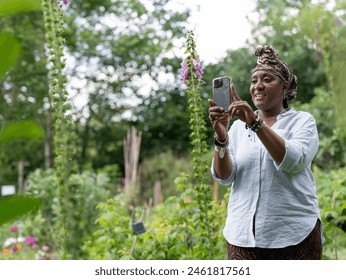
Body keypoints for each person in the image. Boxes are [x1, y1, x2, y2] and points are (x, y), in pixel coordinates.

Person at [208, 45, 323, 260]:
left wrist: (254, 122)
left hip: (294, 236)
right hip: (241, 238)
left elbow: (293, 161)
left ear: (284, 87)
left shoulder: (302, 121)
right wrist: (221, 138)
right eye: (254, 81)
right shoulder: (237, 128)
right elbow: (224, 176)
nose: (258, 86)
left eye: (267, 80)